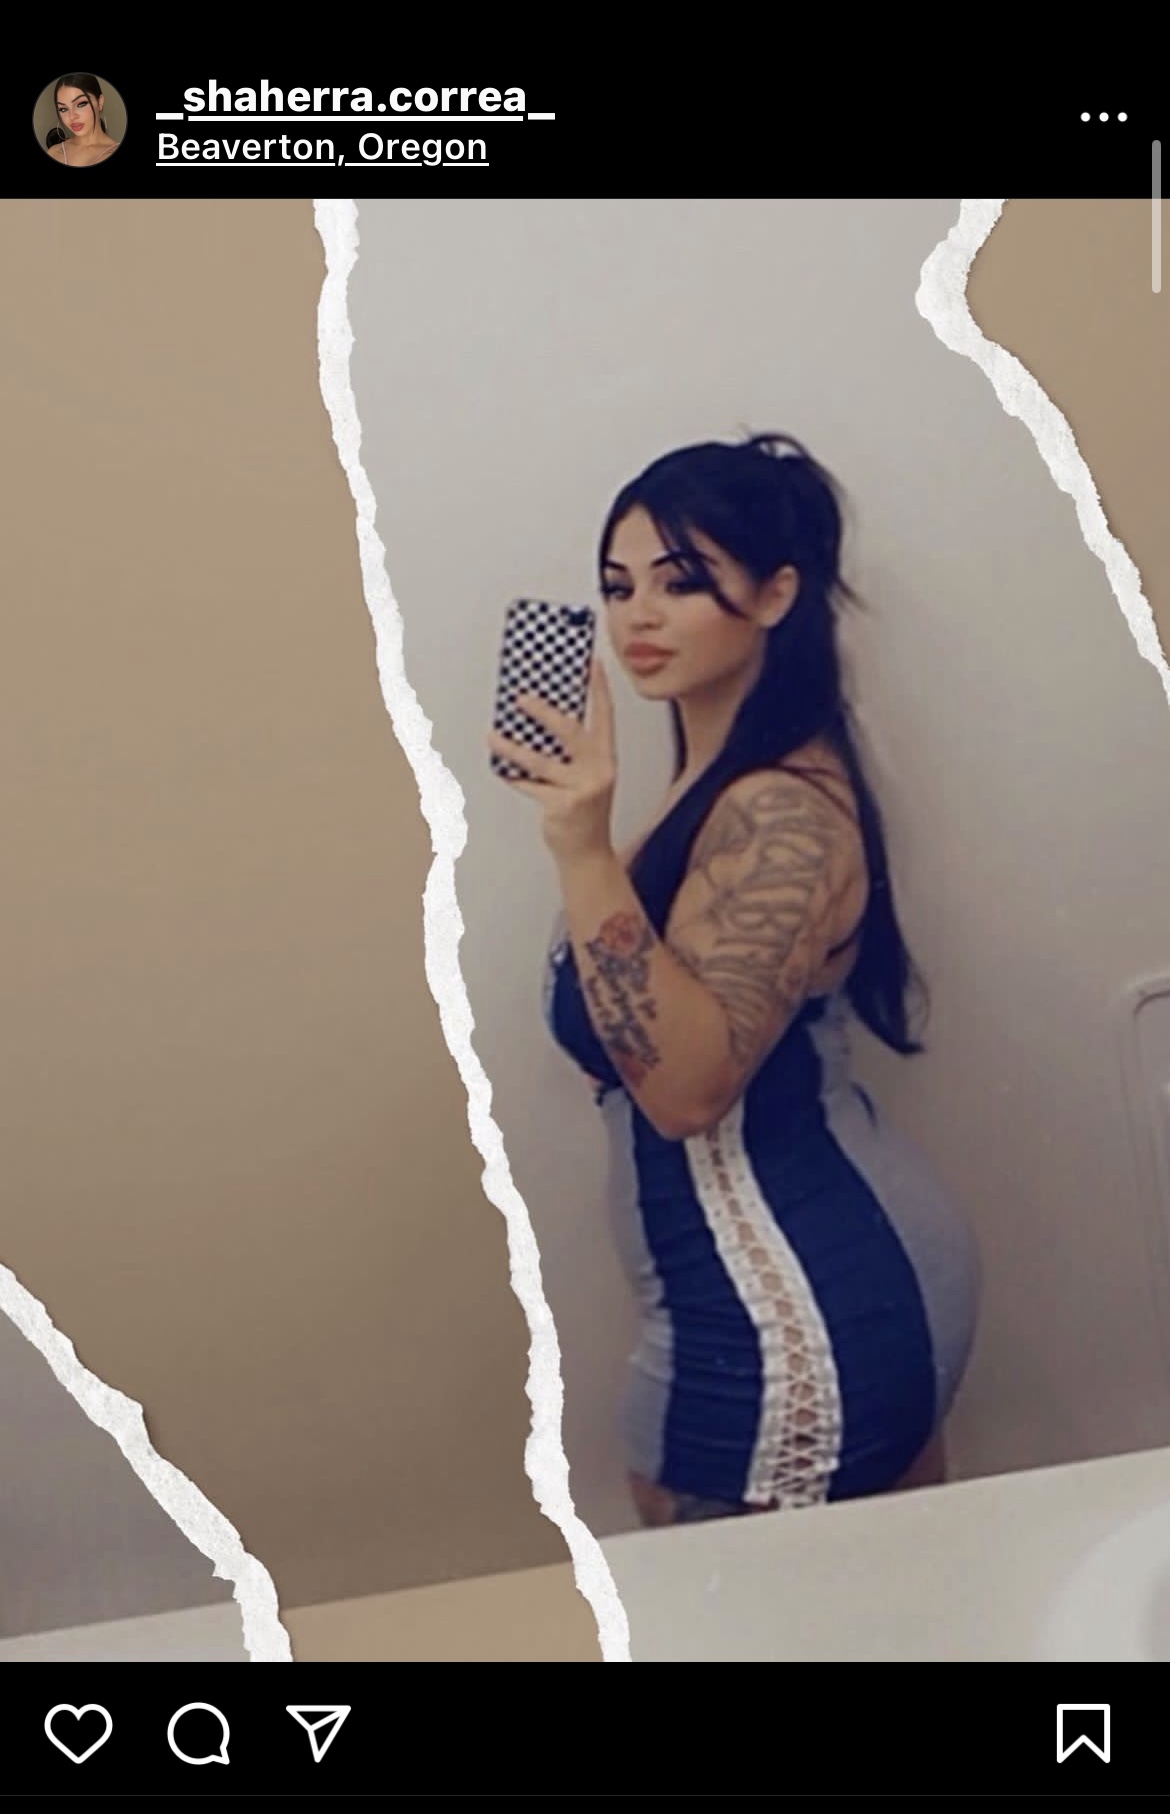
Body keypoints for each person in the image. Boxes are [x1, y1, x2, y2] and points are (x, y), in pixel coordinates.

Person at [489, 432, 980, 1527]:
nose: (638, 616)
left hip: (799, 1307)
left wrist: (579, 845)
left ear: (774, 595)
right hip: (788, 1283)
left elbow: (686, 1088)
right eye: (618, 586)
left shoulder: (779, 810)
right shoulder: (708, 788)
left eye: (681, 581)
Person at [47, 74, 119, 165]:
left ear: (100, 102)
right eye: (63, 109)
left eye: (81, 104)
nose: (72, 116)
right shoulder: (53, 153)